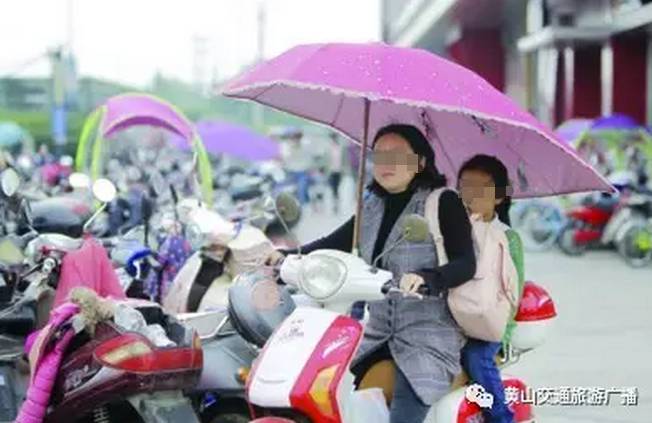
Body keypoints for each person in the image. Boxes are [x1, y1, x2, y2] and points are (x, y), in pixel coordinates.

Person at [268, 124, 476, 423]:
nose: (385, 164)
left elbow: (465, 262)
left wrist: (430, 278)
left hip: (426, 336)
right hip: (376, 333)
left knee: (404, 414)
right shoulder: (371, 205)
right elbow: (333, 244)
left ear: (420, 162)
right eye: (378, 155)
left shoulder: (443, 202)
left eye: (396, 155)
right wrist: (284, 258)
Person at [457, 154, 525, 423]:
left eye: (480, 188)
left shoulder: (508, 238)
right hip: (453, 318)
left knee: (476, 358)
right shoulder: (450, 230)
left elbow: (514, 291)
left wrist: (501, 327)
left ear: (498, 197)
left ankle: (500, 416)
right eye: (464, 186)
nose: (470, 195)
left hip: (490, 324)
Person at [280, 128, 312, 205]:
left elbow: (309, 158)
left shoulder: (305, 145)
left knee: (301, 189)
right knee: (289, 190)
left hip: (302, 171)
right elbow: (285, 157)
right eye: (293, 137)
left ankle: (302, 205)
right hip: (290, 171)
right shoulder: (286, 146)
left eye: (297, 137)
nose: (295, 139)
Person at [327, 132, 345, 214]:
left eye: (335, 137)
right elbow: (325, 160)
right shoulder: (328, 148)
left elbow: (344, 160)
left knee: (337, 188)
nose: (334, 139)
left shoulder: (340, 148)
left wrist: (344, 170)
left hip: (339, 171)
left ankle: (336, 205)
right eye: (332, 137)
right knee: (333, 188)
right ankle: (335, 205)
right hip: (331, 171)